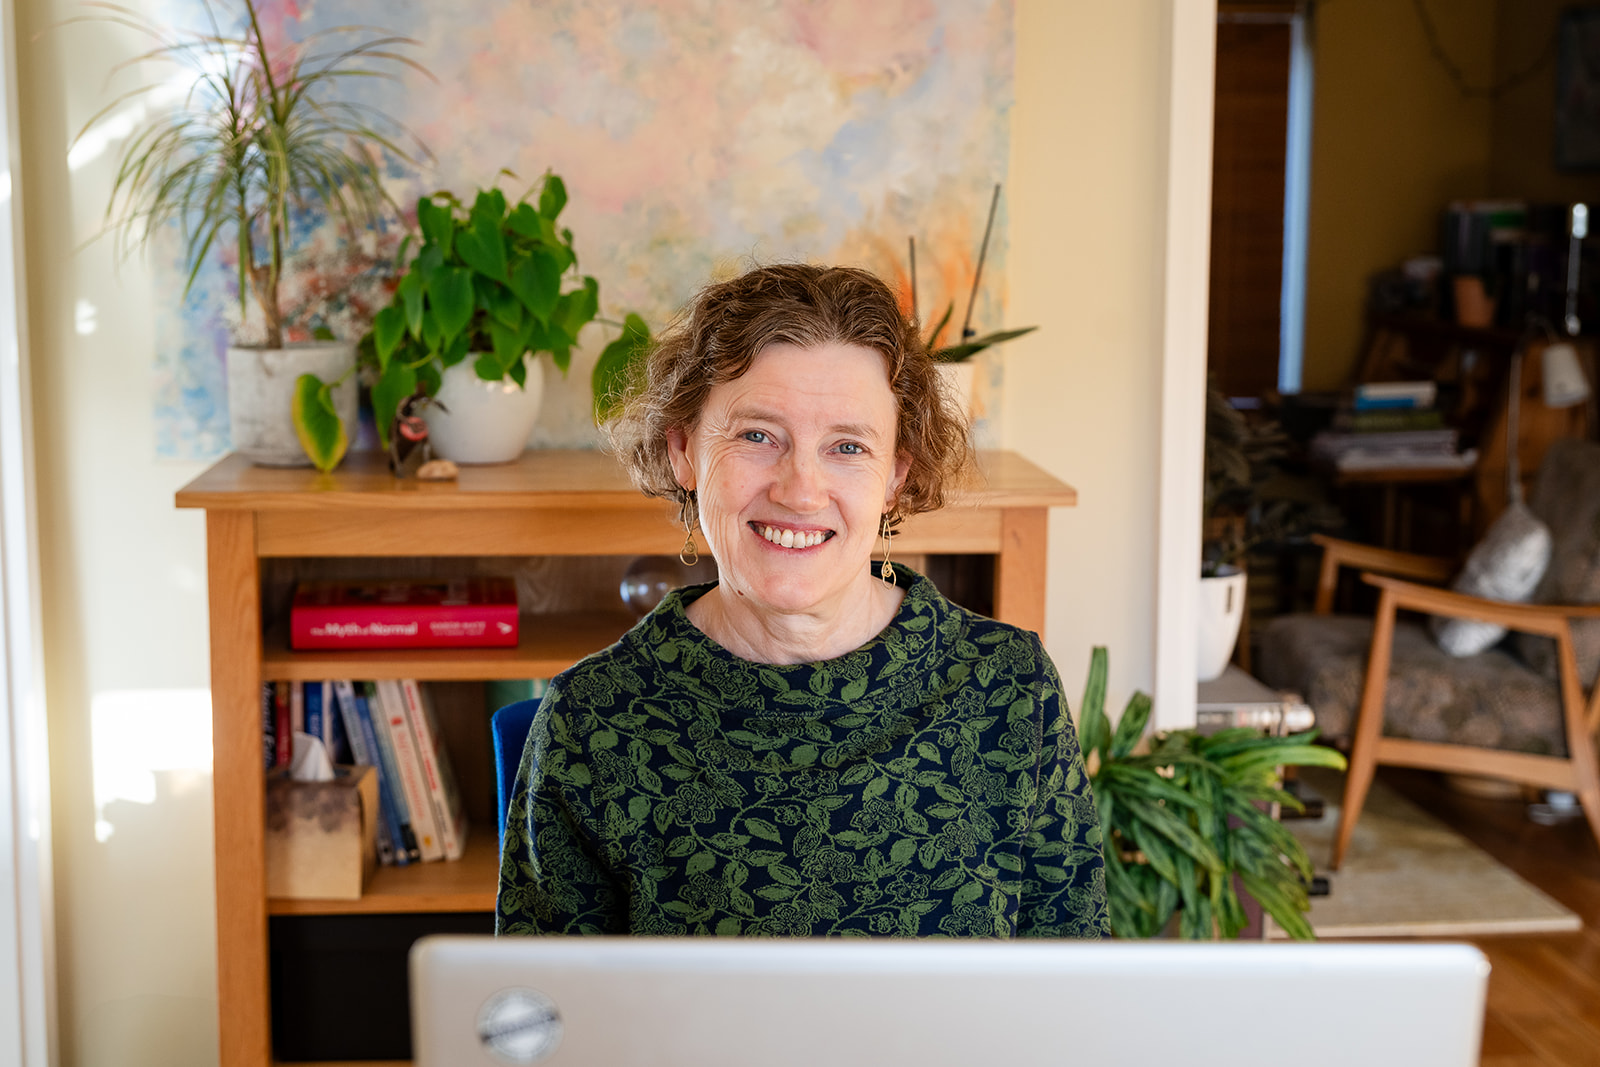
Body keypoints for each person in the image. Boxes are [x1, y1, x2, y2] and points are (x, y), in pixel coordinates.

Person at [496, 264, 1107, 938]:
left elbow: (1074, 998)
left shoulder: (1011, 688)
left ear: (894, 478)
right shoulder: (591, 720)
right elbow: (547, 1028)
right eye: (758, 436)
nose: (801, 489)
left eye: (848, 446)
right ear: (683, 451)